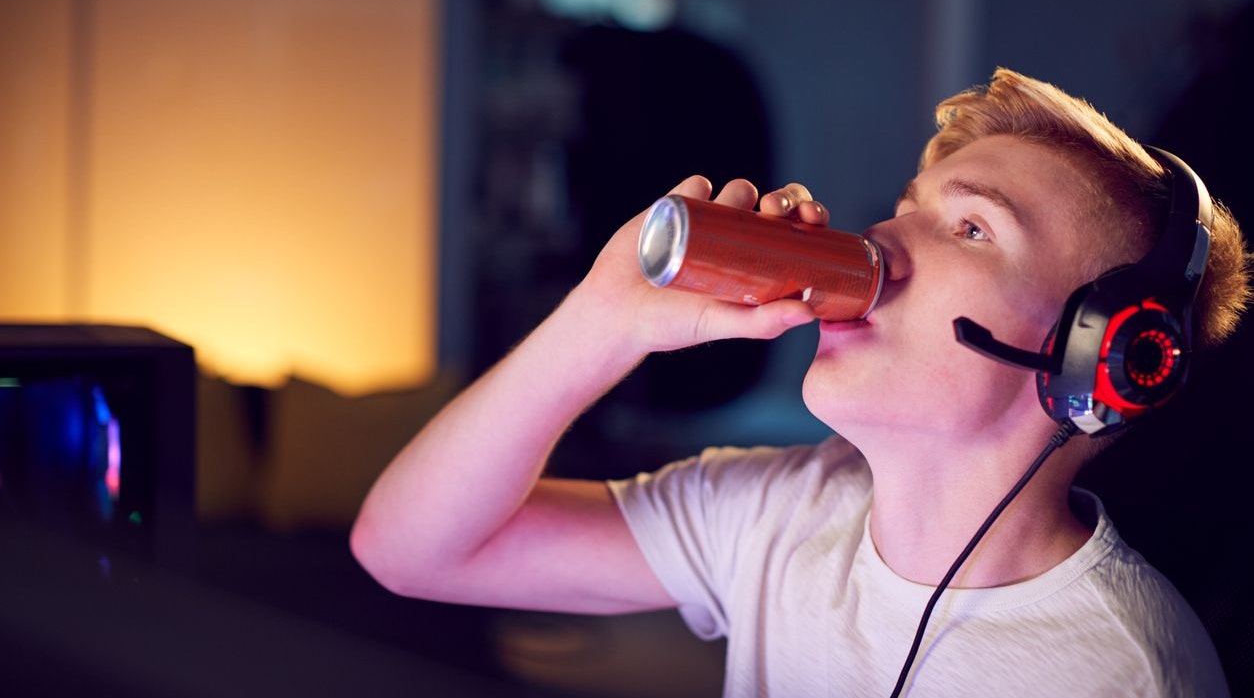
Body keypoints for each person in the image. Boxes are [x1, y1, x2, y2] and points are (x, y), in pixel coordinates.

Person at [350, 68, 1250, 696]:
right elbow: (409, 548)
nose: (880, 243)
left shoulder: (1122, 674)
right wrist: (601, 318)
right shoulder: (782, 514)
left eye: (972, 230)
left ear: (1094, 354)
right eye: (905, 210)